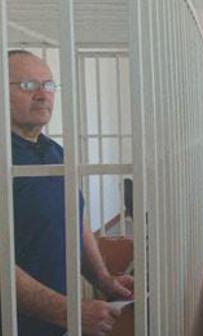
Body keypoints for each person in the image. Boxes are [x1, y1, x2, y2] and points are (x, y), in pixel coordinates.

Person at [5, 50, 133, 336]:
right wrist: (67, 311)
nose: (42, 94)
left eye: (48, 85)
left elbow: (76, 219)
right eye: (27, 85)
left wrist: (103, 279)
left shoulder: (54, 152)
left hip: (55, 324)